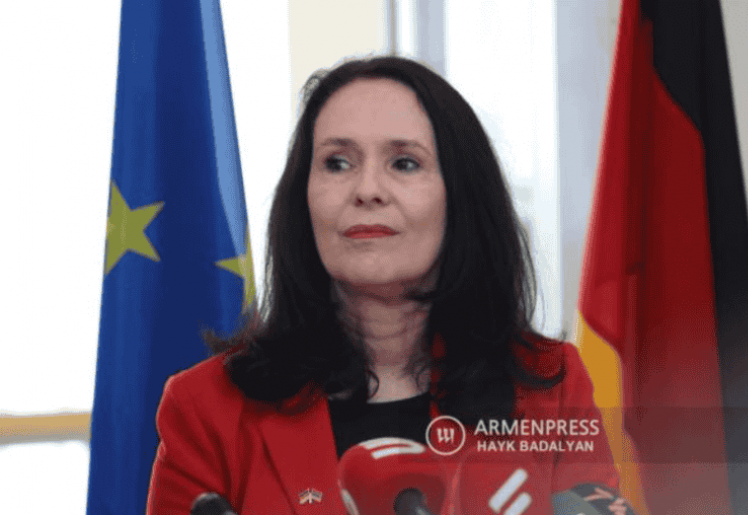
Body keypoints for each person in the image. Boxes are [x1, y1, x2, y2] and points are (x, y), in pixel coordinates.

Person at [147, 56, 621, 515]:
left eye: (404, 163)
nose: (367, 189)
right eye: (337, 163)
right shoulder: (206, 408)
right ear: (302, 199)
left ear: (460, 197)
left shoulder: (552, 388)